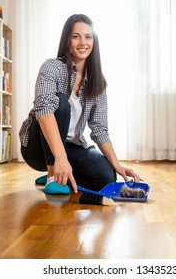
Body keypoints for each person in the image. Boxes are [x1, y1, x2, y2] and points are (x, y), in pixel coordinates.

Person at [19, 14, 142, 205]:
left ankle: (63, 174)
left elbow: (100, 130)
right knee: (60, 103)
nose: (82, 42)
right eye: (76, 36)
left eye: (88, 37)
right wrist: (59, 158)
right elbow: (43, 111)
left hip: (71, 147)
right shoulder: (51, 67)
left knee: (105, 177)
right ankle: (53, 175)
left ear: (94, 41)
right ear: (67, 39)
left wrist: (117, 165)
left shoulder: (98, 82)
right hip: (37, 149)